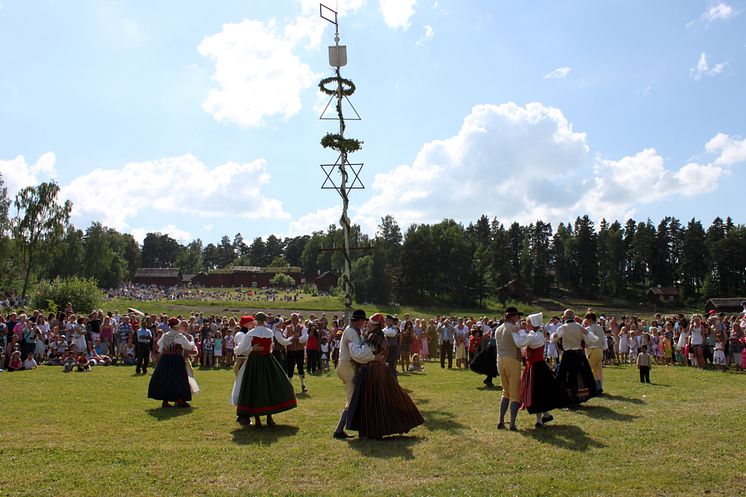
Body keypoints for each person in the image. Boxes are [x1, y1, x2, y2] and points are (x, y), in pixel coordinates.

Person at [346, 313, 424, 439]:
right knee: (384, 399)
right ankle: (375, 430)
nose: (368, 324)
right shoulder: (378, 335)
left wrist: (350, 345)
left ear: (375, 325)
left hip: (373, 372)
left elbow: (363, 354)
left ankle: (375, 431)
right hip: (378, 370)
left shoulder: (374, 337)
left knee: (375, 402)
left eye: (370, 323)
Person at [231, 312, 296, 428]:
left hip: (254, 362)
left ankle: (257, 420)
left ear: (256, 320)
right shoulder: (269, 332)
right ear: (265, 320)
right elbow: (270, 347)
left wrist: (248, 348)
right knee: (269, 388)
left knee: (255, 389)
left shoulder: (251, 333)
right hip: (268, 361)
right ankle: (269, 418)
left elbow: (241, 349)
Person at [333, 309, 375, 439]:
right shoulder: (351, 332)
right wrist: (374, 357)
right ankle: (339, 430)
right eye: (363, 321)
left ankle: (341, 430)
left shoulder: (352, 330)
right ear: (359, 321)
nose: (364, 323)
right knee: (352, 399)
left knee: (353, 398)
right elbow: (358, 354)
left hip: (347, 366)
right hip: (347, 367)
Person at [520, 313, 567, 428]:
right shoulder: (536, 334)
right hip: (535, 367)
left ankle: (540, 420)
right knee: (538, 393)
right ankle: (545, 416)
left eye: (528, 322)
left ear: (533, 324)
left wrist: (517, 334)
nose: (526, 324)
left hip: (536, 367)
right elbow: (524, 352)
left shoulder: (536, 335)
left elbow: (524, 348)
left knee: (537, 393)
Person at [494, 307, 537, 431]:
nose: (518, 319)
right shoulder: (513, 328)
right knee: (515, 394)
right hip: (512, 359)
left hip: (500, 360)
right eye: (517, 317)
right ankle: (512, 423)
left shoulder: (498, 328)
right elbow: (520, 343)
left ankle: (501, 420)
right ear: (512, 317)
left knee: (505, 392)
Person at [552, 309, 599, 407]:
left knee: (562, 376)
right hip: (578, 355)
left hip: (567, 355)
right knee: (578, 376)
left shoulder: (562, 328)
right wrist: (585, 333)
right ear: (574, 317)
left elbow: (553, 340)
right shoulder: (579, 327)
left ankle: (566, 399)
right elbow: (593, 339)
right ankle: (575, 399)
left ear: (564, 318)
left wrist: (554, 336)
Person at [148, 317, 196, 408]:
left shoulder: (165, 335)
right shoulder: (179, 336)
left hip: (165, 360)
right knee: (179, 380)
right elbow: (189, 346)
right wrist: (193, 343)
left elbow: (160, 346)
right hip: (176, 360)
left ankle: (165, 401)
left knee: (165, 379)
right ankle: (180, 400)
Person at [283, 313, 308, 393]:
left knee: (300, 368)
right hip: (290, 350)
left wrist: (297, 339)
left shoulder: (302, 327)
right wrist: (290, 339)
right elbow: (284, 336)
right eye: (293, 319)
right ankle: (289, 385)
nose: (294, 320)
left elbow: (305, 337)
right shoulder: (288, 327)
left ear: (298, 319)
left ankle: (303, 384)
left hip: (299, 350)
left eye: (295, 319)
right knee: (290, 368)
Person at [584, 312, 607, 395]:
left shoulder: (589, 328)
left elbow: (588, 340)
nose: (585, 320)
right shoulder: (600, 328)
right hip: (600, 351)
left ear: (590, 319)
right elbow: (604, 341)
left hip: (593, 350)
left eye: (586, 318)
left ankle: (589, 389)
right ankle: (599, 388)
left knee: (586, 369)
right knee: (597, 371)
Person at [383, 314, 400, 379]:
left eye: (388, 320)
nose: (386, 321)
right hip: (387, 350)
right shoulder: (385, 328)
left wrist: (382, 330)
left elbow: (391, 334)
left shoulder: (394, 328)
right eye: (386, 320)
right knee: (387, 367)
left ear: (391, 321)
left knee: (392, 367)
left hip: (392, 350)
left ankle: (395, 383)